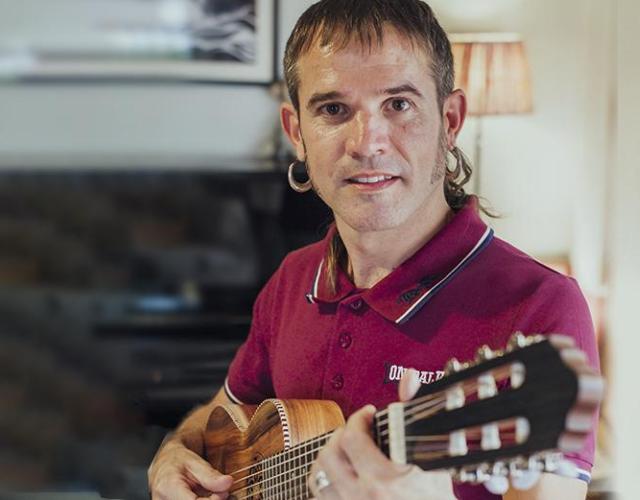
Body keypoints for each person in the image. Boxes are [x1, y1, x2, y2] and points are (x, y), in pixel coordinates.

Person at [147, 1, 600, 499]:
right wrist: (173, 450)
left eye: (398, 104)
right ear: (297, 133)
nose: (367, 144)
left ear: (450, 120)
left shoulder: (542, 305)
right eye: (333, 110)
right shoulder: (294, 278)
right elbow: (218, 418)